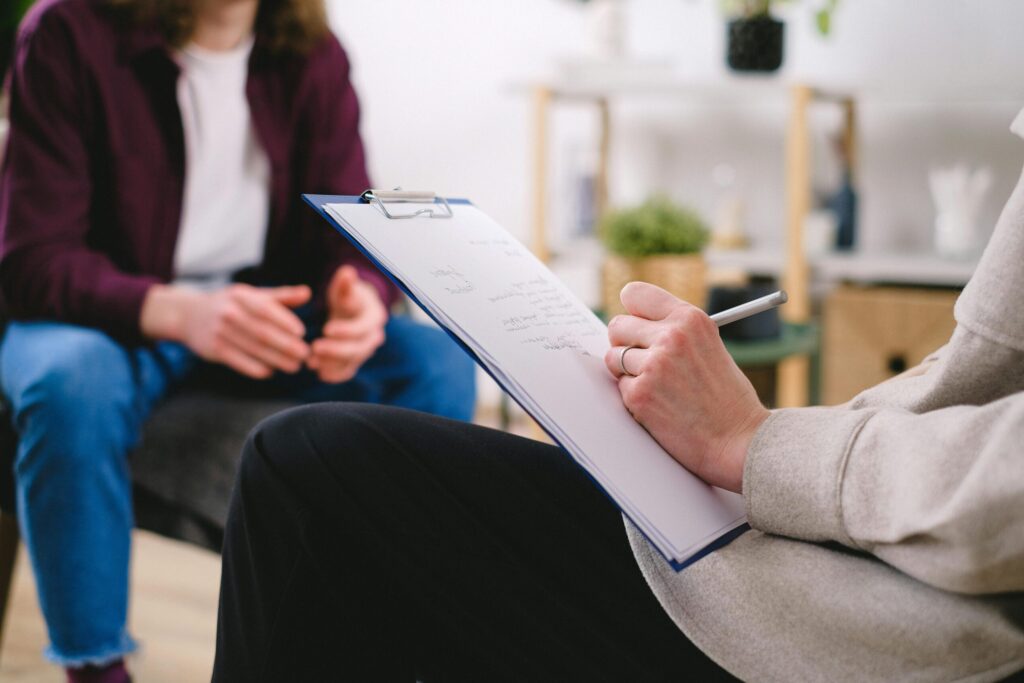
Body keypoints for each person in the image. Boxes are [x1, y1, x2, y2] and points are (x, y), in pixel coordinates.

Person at [211, 107, 1024, 683]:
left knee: (304, 467)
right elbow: (976, 381)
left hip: (903, 632)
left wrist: (755, 442)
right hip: (855, 567)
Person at [0, 0, 476, 679]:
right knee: (68, 383)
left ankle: (371, 635)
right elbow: (32, 260)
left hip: (261, 318)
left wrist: (361, 294)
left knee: (437, 362)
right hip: (110, 319)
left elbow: (352, 221)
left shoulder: (314, 55)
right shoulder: (66, 32)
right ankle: (96, 665)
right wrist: (179, 312)